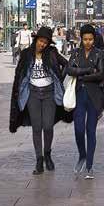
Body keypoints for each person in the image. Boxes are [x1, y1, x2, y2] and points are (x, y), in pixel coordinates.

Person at [10, 26, 70, 175]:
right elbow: (19, 74)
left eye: (45, 42)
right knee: (37, 127)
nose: (42, 44)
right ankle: (39, 160)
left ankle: (47, 153)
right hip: (33, 94)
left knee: (48, 126)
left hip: (49, 93)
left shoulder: (52, 53)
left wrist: (59, 78)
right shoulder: (26, 54)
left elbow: (66, 64)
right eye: (41, 41)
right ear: (36, 39)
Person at [66, 24, 104, 179]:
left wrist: (82, 76)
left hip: (94, 97)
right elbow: (69, 69)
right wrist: (88, 71)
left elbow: (101, 74)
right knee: (78, 130)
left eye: (90, 39)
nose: (88, 42)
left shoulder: (99, 53)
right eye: (85, 39)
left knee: (91, 131)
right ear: (81, 39)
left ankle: (89, 165)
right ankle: (82, 155)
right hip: (78, 95)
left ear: (93, 39)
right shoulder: (76, 53)